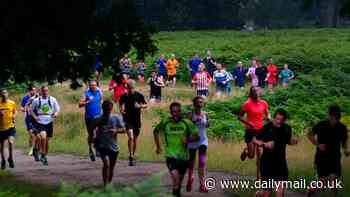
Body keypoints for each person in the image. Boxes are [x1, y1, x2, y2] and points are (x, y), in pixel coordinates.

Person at [154, 102, 199, 197]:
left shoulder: (187, 122)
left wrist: (188, 139)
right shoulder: (165, 122)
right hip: (171, 156)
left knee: (178, 184)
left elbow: (197, 137)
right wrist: (158, 146)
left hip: (184, 157)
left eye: (178, 111)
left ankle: (176, 193)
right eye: (173, 112)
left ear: (180, 112)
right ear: (170, 112)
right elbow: (156, 131)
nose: (176, 114)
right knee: (176, 180)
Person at [253, 108, 298, 197]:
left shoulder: (287, 128)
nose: (279, 122)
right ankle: (259, 194)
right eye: (277, 119)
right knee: (267, 194)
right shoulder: (267, 128)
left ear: (284, 120)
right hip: (267, 164)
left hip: (281, 164)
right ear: (274, 118)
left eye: (281, 120)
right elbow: (254, 140)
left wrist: (293, 141)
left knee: (280, 193)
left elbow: (288, 140)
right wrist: (265, 144)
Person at [307, 105, 349, 197]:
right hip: (322, 158)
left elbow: (344, 141)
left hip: (335, 158)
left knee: (334, 181)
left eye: (336, 116)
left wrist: (346, 149)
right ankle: (309, 192)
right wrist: (318, 144)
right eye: (332, 115)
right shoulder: (321, 124)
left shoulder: (342, 127)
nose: (333, 118)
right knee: (322, 184)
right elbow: (309, 134)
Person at [238, 86, 270, 180]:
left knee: (260, 153)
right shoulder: (247, 104)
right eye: (254, 91)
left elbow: (267, 113)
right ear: (251, 93)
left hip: (260, 130)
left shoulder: (263, 103)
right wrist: (248, 123)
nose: (256, 93)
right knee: (252, 156)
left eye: (257, 91)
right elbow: (239, 116)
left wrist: (268, 118)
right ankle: (246, 151)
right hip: (250, 131)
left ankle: (258, 176)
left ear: (260, 91)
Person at [94, 100, 125, 186]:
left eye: (108, 110)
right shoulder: (98, 118)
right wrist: (93, 138)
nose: (107, 111)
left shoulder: (116, 118)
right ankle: (105, 186)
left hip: (113, 147)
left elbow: (124, 129)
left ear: (111, 109)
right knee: (106, 164)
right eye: (105, 110)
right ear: (102, 109)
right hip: (101, 145)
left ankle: (109, 184)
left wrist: (116, 130)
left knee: (111, 168)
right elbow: (92, 129)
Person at [119, 79, 147, 166]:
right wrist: (122, 110)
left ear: (134, 87)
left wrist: (140, 106)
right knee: (130, 136)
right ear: (126, 88)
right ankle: (130, 156)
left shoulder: (139, 95)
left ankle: (133, 156)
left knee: (135, 139)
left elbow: (146, 105)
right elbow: (121, 105)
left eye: (132, 88)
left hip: (136, 120)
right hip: (127, 119)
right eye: (129, 88)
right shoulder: (123, 96)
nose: (131, 90)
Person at [30, 85, 60, 166]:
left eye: (46, 90)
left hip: (49, 121)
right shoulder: (36, 100)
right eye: (44, 91)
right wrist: (35, 117)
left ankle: (44, 156)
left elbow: (57, 109)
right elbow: (31, 110)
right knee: (43, 137)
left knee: (47, 141)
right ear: (41, 91)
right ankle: (42, 154)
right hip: (40, 121)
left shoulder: (52, 99)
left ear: (48, 91)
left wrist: (56, 114)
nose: (45, 92)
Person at [186, 96, 209, 193]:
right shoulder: (190, 114)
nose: (200, 104)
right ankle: (190, 179)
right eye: (198, 102)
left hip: (203, 140)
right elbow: (186, 127)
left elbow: (207, 125)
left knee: (202, 162)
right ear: (194, 104)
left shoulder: (205, 114)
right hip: (193, 141)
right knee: (191, 162)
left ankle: (202, 185)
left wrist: (208, 123)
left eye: (201, 102)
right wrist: (194, 121)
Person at [79, 80, 103, 161]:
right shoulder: (86, 93)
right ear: (89, 86)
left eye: (94, 85)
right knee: (91, 134)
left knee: (97, 133)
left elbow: (101, 102)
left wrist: (102, 112)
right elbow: (80, 104)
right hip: (89, 117)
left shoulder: (99, 92)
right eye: (92, 85)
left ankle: (97, 150)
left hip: (98, 116)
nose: (93, 86)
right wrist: (87, 101)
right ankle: (90, 149)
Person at [0, 88, 17, 169]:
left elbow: (15, 111)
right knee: (1, 146)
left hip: (10, 126)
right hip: (1, 128)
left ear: (7, 94)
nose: (4, 94)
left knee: (10, 142)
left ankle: (10, 158)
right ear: (0, 95)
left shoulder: (12, 103)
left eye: (5, 93)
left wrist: (14, 116)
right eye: (2, 93)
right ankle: (3, 160)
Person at [20, 84, 37, 156]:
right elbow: (22, 108)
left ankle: (34, 149)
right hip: (28, 118)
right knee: (31, 135)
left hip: (36, 117)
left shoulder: (38, 97)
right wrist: (24, 109)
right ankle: (31, 149)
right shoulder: (25, 98)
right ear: (29, 90)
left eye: (35, 90)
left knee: (36, 135)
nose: (34, 91)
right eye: (33, 90)